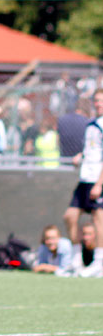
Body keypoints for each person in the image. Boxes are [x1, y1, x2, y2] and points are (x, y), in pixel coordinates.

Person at [63, 88, 103, 259]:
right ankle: (77, 258)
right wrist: (80, 156)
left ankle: (99, 262)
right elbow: (92, 149)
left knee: (98, 220)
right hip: (85, 178)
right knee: (70, 216)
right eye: (96, 100)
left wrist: (99, 184)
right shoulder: (92, 124)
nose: (98, 104)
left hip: (97, 180)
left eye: (101, 100)